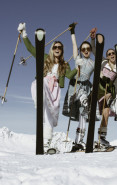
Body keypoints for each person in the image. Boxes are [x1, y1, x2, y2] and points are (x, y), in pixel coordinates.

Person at [17, 23, 77, 152]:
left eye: (59, 47)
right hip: (43, 83)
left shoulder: (64, 65)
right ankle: (39, 101)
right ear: (52, 48)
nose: (57, 48)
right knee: (39, 84)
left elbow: (70, 76)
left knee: (50, 114)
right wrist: (24, 33)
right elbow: (31, 49)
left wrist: (78, 67)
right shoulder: (45, 58)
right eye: (55, 46)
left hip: (54, 90)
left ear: (62, 50)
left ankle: (46, 142)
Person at [66, 23, 95, 152]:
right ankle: (83, 99)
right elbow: (73, 46)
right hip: (76, 86)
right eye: (83, 49)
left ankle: (78, 142)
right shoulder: (78, 59)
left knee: (84, 114)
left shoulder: (93, 63)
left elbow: (97, 53)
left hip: (87, 87)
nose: (86, 50)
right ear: (81, 51)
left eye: (88, 48)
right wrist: (72, 32)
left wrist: (93, 39)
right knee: (84, 100)